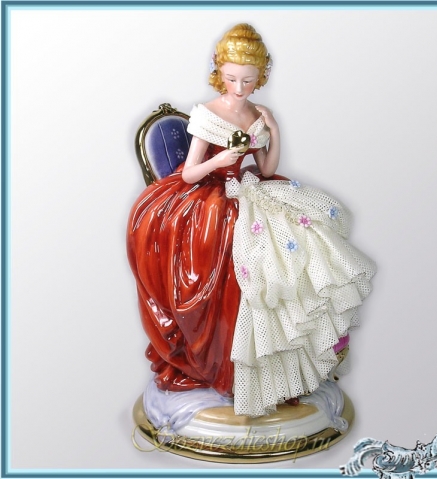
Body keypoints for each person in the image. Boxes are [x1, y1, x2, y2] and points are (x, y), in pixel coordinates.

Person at [127, 23, 376, 417]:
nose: (239, 87)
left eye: (247, 80)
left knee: (302, 237)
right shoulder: (208, 115)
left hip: (247, 186)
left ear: (261, 76)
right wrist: (219, 161)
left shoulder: (259, 114)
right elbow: (189, 174)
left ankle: (282, 357)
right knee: (232, 242)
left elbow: (267, 169)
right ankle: (228, 356)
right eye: (231, 79)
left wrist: (273, 130)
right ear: (219, 73)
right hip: (207, 195)